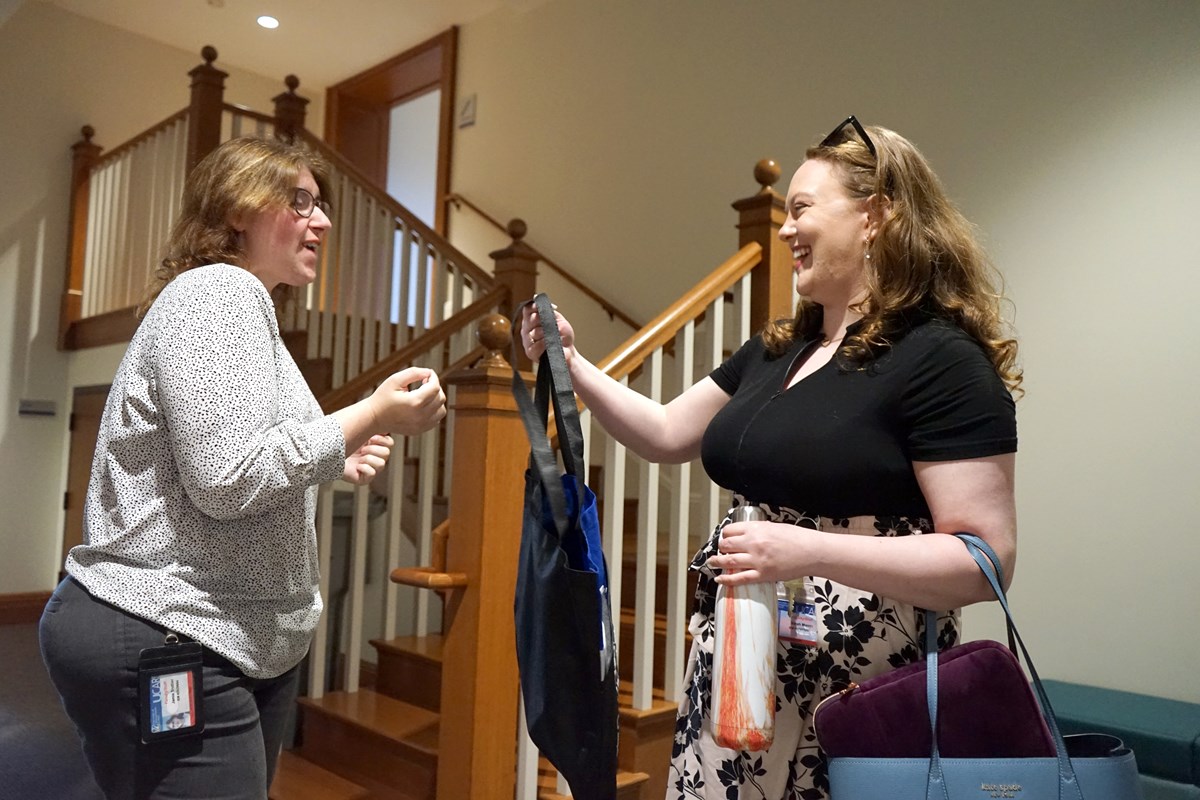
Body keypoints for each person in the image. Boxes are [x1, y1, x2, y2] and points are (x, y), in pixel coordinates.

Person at [520, 116, 1021, 800]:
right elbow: (666, 432)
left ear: (874, 217)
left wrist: (807, 549)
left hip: (855, 704)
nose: (786, 230)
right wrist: (571, 364)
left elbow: (984, 559)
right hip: (740, 673)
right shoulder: (778, 349)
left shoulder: (941, 360)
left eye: (802, 209)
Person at [39, 137, 447, 800]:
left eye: (320, 205)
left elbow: (244, 453)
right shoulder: (219, 293)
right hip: (173, 629)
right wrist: (367, 416)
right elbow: (229, 478)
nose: (323, 221)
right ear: (236, 211)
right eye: (299, 202)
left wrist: (336, 446)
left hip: (222, 637)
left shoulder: (248, 314)